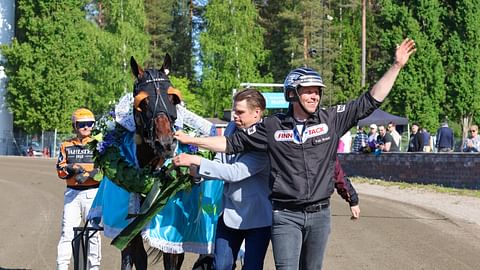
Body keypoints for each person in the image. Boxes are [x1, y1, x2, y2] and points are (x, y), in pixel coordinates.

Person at [174, 38, 416, 270]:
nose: (315, 96)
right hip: (285, 216)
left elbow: (370, 101)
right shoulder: (271, 127)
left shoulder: (331, 119)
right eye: (308, 91)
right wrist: (191, 140)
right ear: (292, 94)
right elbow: (230, 144)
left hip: (320, 214)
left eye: (317, 91)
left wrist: (396, 66)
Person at [174, 89, 271, 270]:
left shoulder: (266, 138)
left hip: (258, 220)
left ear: (257, 112)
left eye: (240, 112)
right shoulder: (232, 128)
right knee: (220, 266)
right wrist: (197, 174)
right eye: (234, 111)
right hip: (228, 215)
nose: (234, 116)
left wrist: (196, 159)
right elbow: (220, 161)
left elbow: (234, 172)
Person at [56, 108, 101, 270]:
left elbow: (105, 170)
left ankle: (94, 267)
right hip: (72, 194)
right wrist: (72, 168)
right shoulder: (66, 145)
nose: (86, 127)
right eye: (82, 124)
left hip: (93, 193)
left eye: (90, 124)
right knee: (67, 233)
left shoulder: (99, 144)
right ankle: (62, 266)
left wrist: (89, 175)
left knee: (93, 233)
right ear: (74, 125)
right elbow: (60, 170)